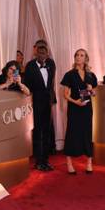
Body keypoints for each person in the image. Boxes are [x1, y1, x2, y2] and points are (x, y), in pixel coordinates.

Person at [61, 49, 98, 175]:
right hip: (74, 107)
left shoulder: (91, 75)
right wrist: (75, 102)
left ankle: (89, 163)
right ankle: (69, 163)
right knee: (72, 133)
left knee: (87, 133)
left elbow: (94, 93)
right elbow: (65, 95)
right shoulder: (69, 74)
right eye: (77, 55)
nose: (78, 57)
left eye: (81, 55)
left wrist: (91, 90)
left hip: (87, 108)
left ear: (86, 58)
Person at [21, 41, 57, 171]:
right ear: (35, 53)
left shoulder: (51, 64)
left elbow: (51, 83)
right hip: (35, 103)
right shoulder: (30, 66)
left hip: (48, 102)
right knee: (37, 132)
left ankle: (45, 160)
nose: (42, 54)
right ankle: (38, 161)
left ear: (47, 53)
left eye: (44, 52)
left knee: (47, 132)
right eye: (40, 52)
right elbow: (28, 86)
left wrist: (52, 99)